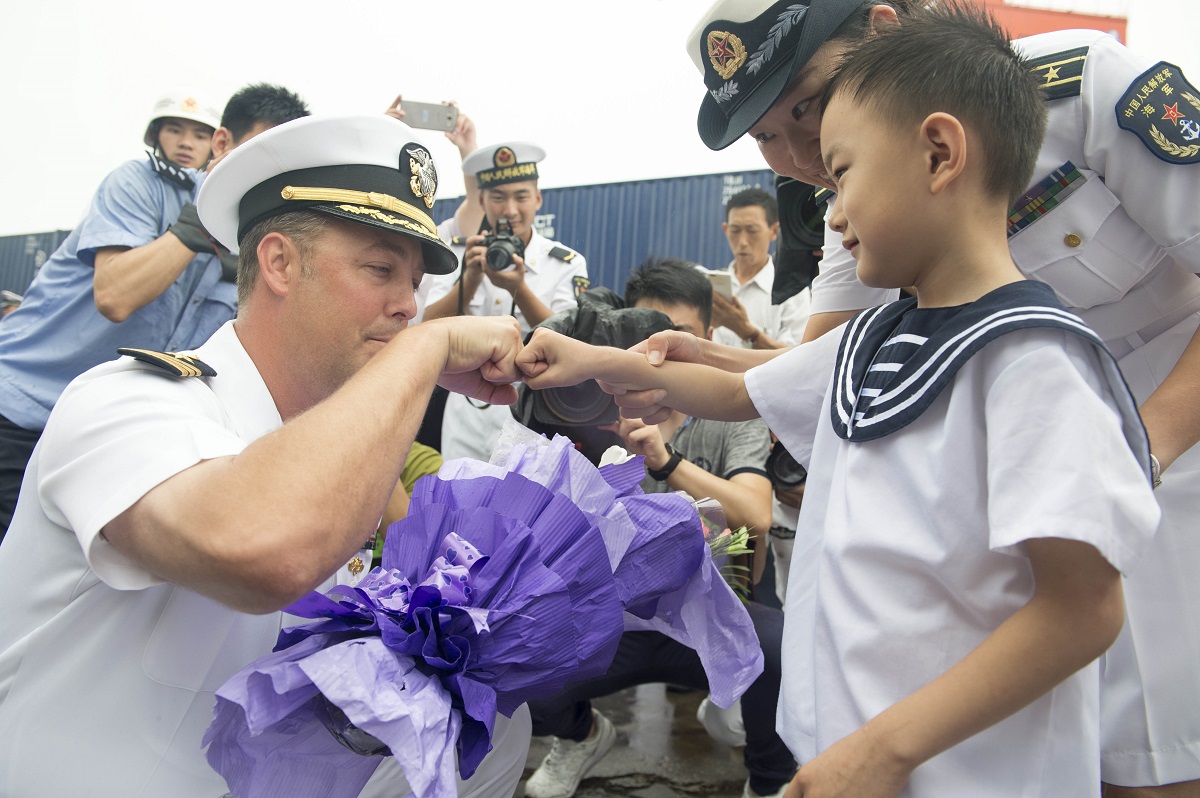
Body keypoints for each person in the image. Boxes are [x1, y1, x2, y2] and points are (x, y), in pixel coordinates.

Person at [518, 6, 1161, 796]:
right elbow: (733, 386)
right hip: (852, 750)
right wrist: (590, 358)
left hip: (956, 768)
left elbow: (1085, 608)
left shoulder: (1032, 362)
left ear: (938, 152)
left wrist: (885, 751)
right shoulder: (875, 335)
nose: (826, 203)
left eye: (843, 169)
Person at [686, 0, 1200, 793]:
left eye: (808, 105)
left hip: (1175, 454)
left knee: (1151, 754)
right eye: (766, 138)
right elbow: (824, 363)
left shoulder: (1086, 84)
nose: (801, 156)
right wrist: (670, 365)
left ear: (884, 33)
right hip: (1012, 499)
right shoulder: (852, 188)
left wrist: (1142, 452)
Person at [0, 113, 531, 797]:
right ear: (279, 262)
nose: (407, 307)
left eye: (416, 285)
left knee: (490, 729)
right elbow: (264, 546)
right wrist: (424, 355)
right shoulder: (126, 401)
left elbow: (435, 564)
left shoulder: (338, 446)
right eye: (380, 270)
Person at [523, 258, 794, 798]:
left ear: (706, 339)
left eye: (677, 340)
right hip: (616, 625)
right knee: (519, 656)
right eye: (646, 341)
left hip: (706, 619)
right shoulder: (587, 412)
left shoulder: (731, 414)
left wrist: (666, 463)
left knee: (782, 648)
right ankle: (581, 735)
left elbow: (757, 515)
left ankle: (769, 781)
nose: (659, 359)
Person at [0, 83, 309, 540]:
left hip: (107, 438)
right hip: (22, 413)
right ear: (222, 144)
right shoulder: (135, 184)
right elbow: (115, 296)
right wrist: (194, 230)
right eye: (260, 153)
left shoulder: (256, 241)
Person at [422, 141, 590, 461]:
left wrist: (519, 289)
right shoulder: (459, 254)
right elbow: (425, 327)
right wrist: (468, 281)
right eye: (498, 197)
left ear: (538, 199)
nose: (510, 210)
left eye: (521, 196)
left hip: (535, 406)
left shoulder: (566, 263)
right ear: (482, 200)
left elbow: (574, 343)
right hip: (466, 405)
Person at [712, 188, 812, 351]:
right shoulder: (713, 287)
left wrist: (746, 331)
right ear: (725, 230)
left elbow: (799, 359)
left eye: (752, 230)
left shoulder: (792, 292)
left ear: (773, 231)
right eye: (735, 230)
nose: (743, 242)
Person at [143, 94, 221, 170]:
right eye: (175, 131)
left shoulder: (221, 182)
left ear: (216, 145)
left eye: (200, 136)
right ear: (154, 134)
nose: (186, 143)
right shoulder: (135, 177)